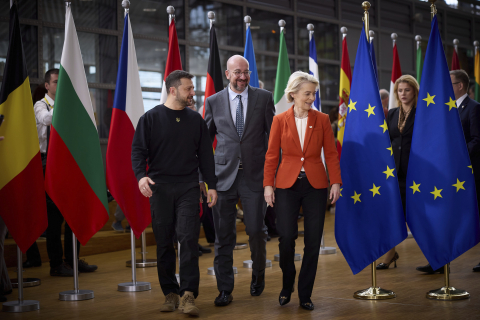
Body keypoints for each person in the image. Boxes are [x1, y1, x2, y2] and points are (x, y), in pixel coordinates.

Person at [132, 70, 218, 316]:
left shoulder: (196, 120)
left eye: (193, 88)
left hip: (189, 188)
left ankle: (188, 295)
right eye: (189, 88)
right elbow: (138, 151)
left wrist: (211, 185)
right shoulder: (150, 118)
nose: (193, 92)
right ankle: (170, 293)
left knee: (189, 240)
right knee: (164, 243)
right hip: (160, 189)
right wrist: (141, 176)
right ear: (172, 90)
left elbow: (205, 157)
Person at [263, 71, 341, 310]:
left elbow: (330, 153)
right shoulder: (279, 120)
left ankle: (305, 293)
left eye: (313, 94)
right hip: (286, 185)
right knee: (286, 237)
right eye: (307, 93)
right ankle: (287, 285)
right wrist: (268, 185)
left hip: (315, 185)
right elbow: (272, 155)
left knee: (313, 240)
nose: (311, 98)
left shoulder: (323, 119)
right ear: (293, 93)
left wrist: (336, 181)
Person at [202, 55, 275, 306]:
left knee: (256, 231)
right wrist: (206, 180)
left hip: (255, 176)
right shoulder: (213, 102)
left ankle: (258, 275)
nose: (242, 77)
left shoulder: (264, 98)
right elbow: (203, 144)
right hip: (222, 178)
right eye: (237, 72)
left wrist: (272, 175)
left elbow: (272, 139)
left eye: (246, 72)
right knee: (224, 236)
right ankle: (224, 289)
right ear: (227, 74)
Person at [34, 69, 97, 276]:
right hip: (48, 163)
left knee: (73, 213)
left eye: (62, 83)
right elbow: (47, 121)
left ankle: (73, 260)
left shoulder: (70, 107)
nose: (58, 86)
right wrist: (66, 104)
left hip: (70, 163)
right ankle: (56, 264)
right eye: (55, 82)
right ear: (47, 86)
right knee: (54, 218)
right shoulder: (41, 105)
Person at [377, 75, 419, 271]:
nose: (403, 94)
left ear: (414, 91)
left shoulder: (422, 113)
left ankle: (438, 257)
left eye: (407, 90)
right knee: (393, 214)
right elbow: (387, 141)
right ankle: (390, 254)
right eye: (400, 90)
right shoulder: (392, 114)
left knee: (421, 216)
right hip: (394, 174)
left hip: (417, 173)